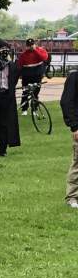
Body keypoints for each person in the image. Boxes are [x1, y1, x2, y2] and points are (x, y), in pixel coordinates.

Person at [61, 65, 78, 209]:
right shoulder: (74, 76)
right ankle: (72, 197)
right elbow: (67, 101)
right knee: (77, 164)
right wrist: (74, 126)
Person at [17, 38, 50, 112]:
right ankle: (24, 109)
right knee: (25, 92)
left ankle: (34, 108)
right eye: (29, 45)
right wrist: (20, 74)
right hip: (26, 76)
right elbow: (19, 65)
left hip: (37, 76)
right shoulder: (23, 54)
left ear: (34, 44)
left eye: (32, 45)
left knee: (35, 92)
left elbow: (44, 58)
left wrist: (35, 50)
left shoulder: (40, 50)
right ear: (27, 46)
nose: (31, 47)